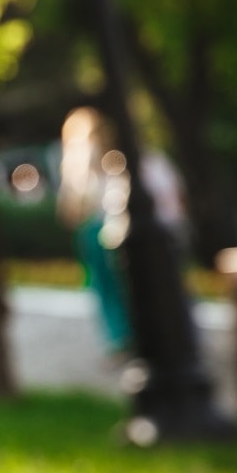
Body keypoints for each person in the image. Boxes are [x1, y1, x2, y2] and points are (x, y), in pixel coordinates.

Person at [56, 106, 133, 355]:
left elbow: (71, 205)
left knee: (106, 286)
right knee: (115, 284)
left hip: (96, 225)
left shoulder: (77, 156)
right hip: (104, 224)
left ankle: (118, 336)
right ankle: (123, 334)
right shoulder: (101, 154)